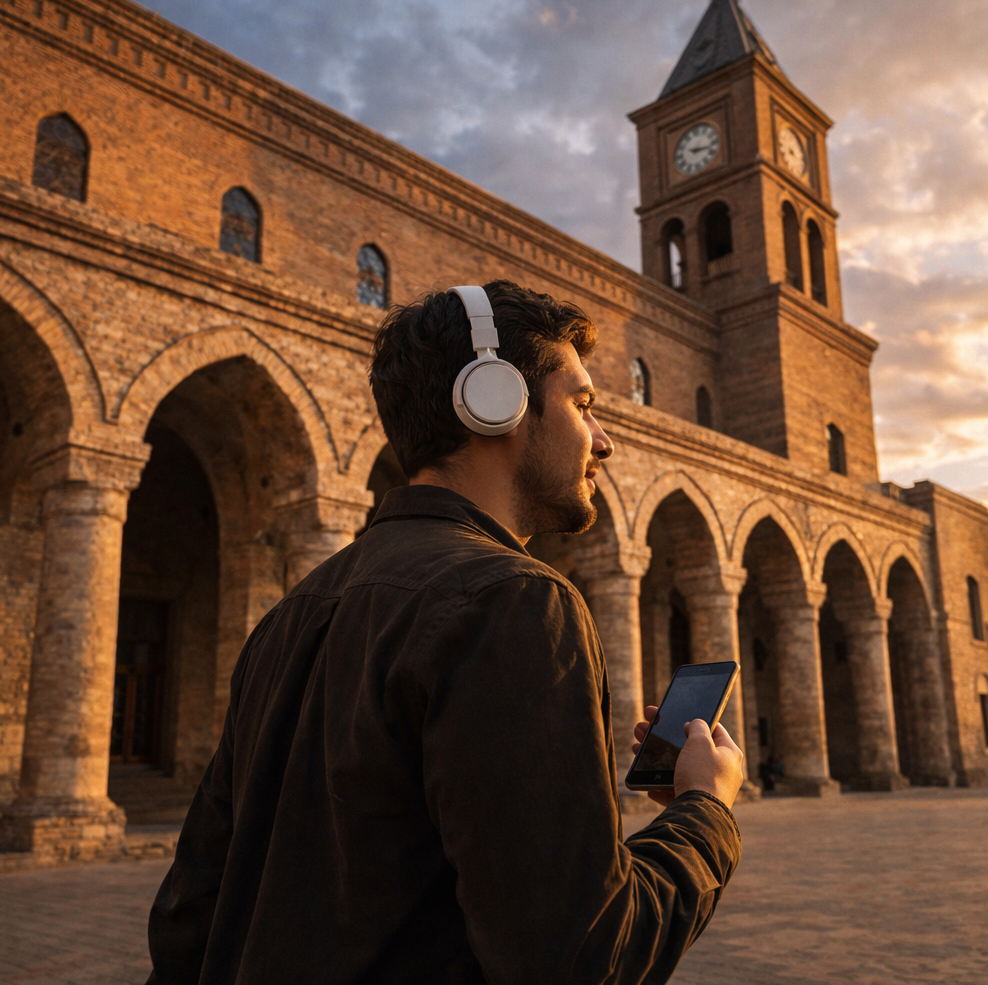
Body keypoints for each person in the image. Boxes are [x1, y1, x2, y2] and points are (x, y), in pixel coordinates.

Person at [147, 281, 744, 983]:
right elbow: (583, 956)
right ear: (497, 401)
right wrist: (706, 810)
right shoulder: (516, 601)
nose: (604, 440)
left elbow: (191, 915)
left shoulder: (291, 613)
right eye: (583, 405)